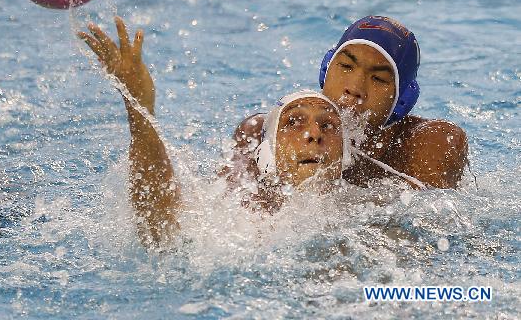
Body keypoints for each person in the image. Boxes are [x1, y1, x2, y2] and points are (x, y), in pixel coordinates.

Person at [79, 18, 351, 247]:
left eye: (328, 126)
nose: (314, 133)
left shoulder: (371, 206)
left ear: (344, 153)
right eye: (294, 123)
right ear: (269, 151)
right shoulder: (236, 221)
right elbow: (158, 231)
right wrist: (139, 108)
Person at [234, 16, 468, 189]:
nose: (354, 88)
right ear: (326, 70)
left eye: (378, 78)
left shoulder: (430, 143)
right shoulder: (265, 133)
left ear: (401, 102)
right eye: (346, 66)